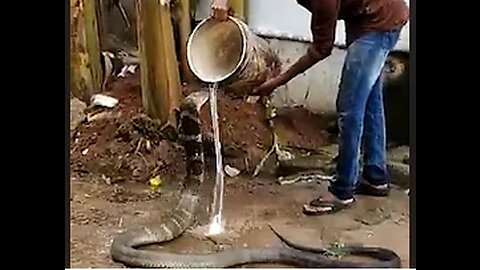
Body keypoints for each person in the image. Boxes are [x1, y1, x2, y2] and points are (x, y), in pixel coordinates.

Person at [210, 0, 409, 215]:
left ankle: (342, 189)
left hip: (379, 22)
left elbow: (321, 48)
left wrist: (276, 82)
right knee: (370, 100)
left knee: (350, 107)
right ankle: (375, 176)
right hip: (365, 19)